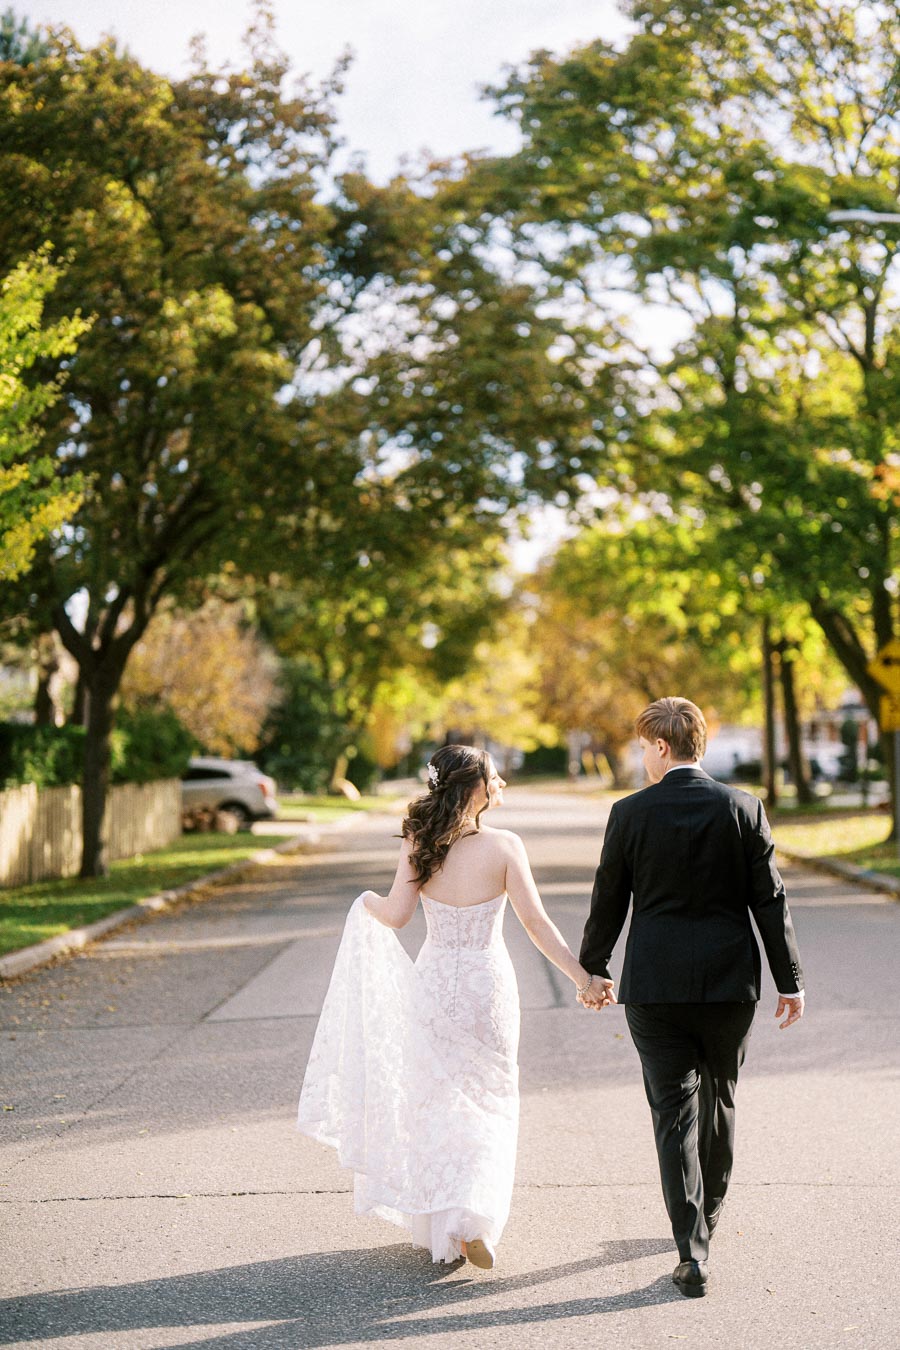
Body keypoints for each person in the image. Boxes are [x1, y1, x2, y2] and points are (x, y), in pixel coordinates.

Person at [297, 743, 608, 1270]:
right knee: (489, 1099)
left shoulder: (421, 841)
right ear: (474, 786)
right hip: (488, 986)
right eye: (495, 777)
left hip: (435, 981)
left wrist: (363, 902)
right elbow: (537, 925)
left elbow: (395, 915)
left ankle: (449, 1226)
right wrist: (583, 979)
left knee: (437, 1100)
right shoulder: (505, 847)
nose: (502, 784)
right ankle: (473, 1220)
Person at [579, 697, 805, 1299]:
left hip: (654, 988)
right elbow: (770, 900)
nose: (640, 757)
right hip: (731, 985)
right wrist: (790, 980)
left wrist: (593, 968)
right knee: (721, 1098)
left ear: (660, 746)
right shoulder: (743, 807)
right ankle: (708, 1217)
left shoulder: (629, 813)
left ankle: (690, 1250)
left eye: (641, 747)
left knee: (671, 1112)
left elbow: (609, 898)